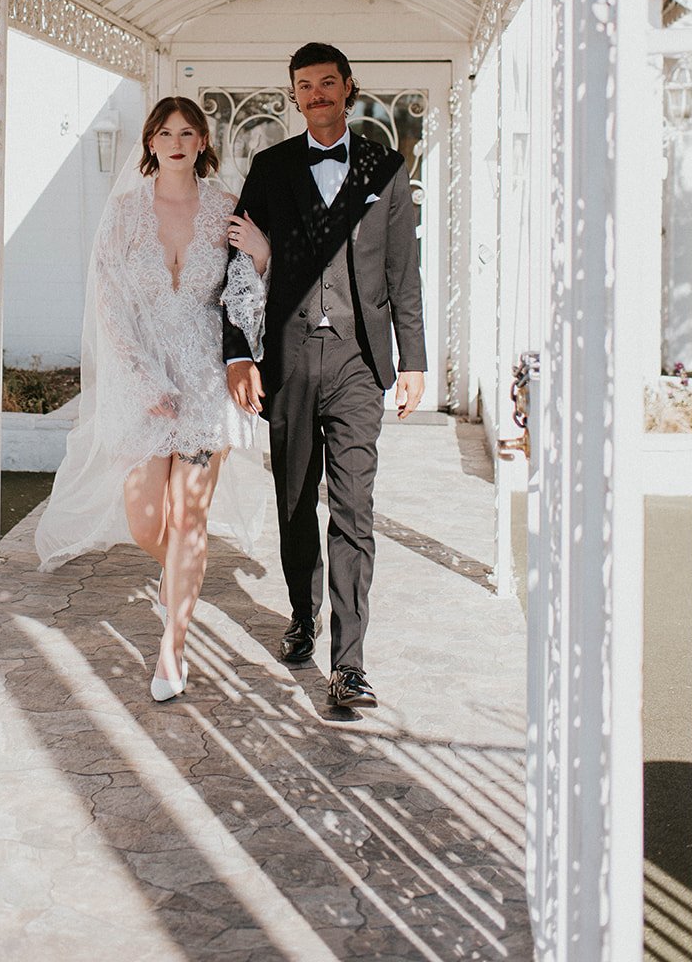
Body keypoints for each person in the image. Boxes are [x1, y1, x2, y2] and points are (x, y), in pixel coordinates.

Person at [35, 96, 269, 702]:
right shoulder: (124, 214)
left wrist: (263, 258)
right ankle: (176, 574)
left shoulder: (225, 208)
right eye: (164, 132)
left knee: (191, 518)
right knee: (146, 521)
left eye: (187, 132)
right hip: (141, 383)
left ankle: (174, 646)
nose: (175, 141)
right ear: (149, 142)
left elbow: (245, 297)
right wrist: (142, 380)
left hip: (204, 384)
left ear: (201, 143)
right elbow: (110, 305)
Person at [223, 42, 427, 709]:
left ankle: (350, 662)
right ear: (294, 96)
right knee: (293, 503)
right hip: (285, 360)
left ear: (348, 87)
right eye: (303, 86)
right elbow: (234, 267)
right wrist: (237, 355)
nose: (316, 95)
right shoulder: (270, 166)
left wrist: (414, 358)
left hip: (358, 364)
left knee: (354, 508)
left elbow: (402, 271)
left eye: (327, 83)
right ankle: (303, 616)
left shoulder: (386, 167)